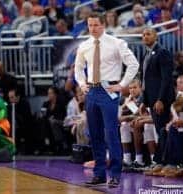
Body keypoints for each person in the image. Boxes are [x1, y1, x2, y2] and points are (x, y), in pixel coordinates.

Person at [74, 12, 139, 187]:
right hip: (91, 92)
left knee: (111, 133)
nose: (92, 28)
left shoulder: (116, 43)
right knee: (94, 135)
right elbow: (78, 68)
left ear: (103, 25)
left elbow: (134, 64)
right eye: (90, 25)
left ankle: (116, 174)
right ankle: (99, 174)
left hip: (109, 90)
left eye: (96, 25)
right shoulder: (84, 45)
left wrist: (123, 84)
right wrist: (81, 84)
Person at [139, 28, 175, 175]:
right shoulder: (146, 54)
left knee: (163, 131)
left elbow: (166, 79)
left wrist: (160, 99)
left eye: (148, 34)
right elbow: (146, 81)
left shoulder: (163, 52)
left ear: (156, 36)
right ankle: (161, 162)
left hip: (162, 100)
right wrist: (144, 101)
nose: (145, 37)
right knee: (160, 131)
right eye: (143, 35)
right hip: (152, 99)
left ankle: (166, 162)